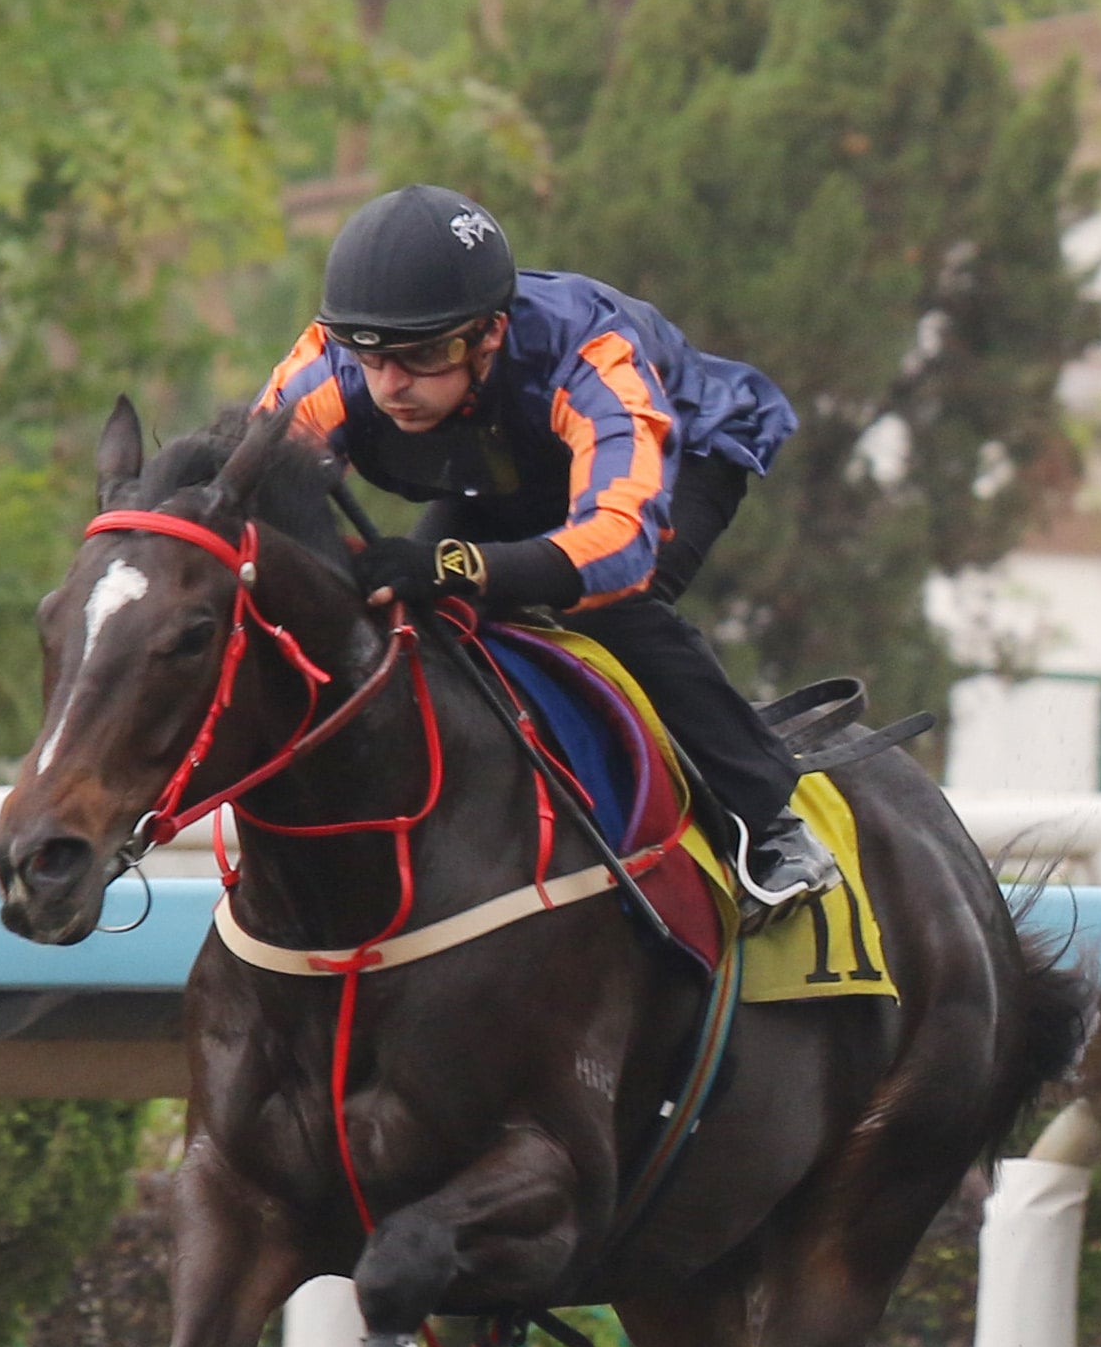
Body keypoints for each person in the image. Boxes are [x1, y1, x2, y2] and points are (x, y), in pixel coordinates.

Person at [254, 183, 836, 918]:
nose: (391, 384)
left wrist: (457, 567)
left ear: (490, 333)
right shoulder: (332, 366)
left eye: (423, 353)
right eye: (367, 354)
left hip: (673, 457)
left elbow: (619, 547)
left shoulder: (591, 352)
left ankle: (772, 825)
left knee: (611, 612)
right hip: (498, 464)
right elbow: (244, 497)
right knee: (406, 617)